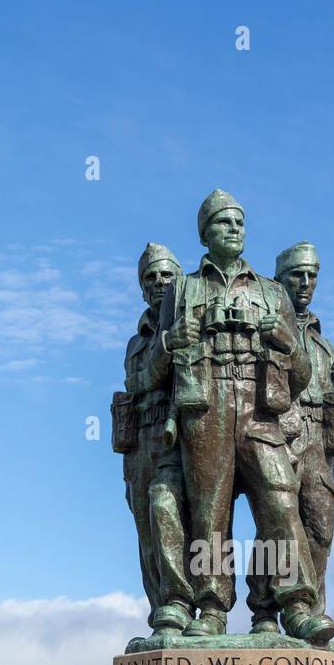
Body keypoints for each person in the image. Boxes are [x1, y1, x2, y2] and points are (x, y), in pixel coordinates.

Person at [153, 190, 334, 644]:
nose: (234, 230)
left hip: (259, 410)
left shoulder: (272, 292)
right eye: (222, 223)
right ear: (204, 233)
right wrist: (172, 340)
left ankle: (294, 605)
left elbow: (303, 375)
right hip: (206, 404)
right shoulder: (183, 289)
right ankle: (212, 607)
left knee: (279, 500)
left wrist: (288, 344)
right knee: (208, 513)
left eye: (238, 223)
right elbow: (152, 372)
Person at [247, 242, 334, 631]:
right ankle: (264, 610)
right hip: (280, 431)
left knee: (319, 529)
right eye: (298, 275)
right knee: (275, 524)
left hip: (319, 443)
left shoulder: (325, 347)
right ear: (280, 281)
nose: (307, 283)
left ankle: (311, 612)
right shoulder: (268, 330)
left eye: (313, 275)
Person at [111, 243, 193, 635]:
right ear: (142, 289)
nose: (159, 283)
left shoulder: (193, 327)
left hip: (178, 440)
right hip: (140, 442)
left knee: (172, 514)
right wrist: (164, 348)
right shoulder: (137, 341)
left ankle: (186, 603)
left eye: (166, 275)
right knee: (148, 536)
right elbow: (139, 380)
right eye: (151, 278)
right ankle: (163, 613)